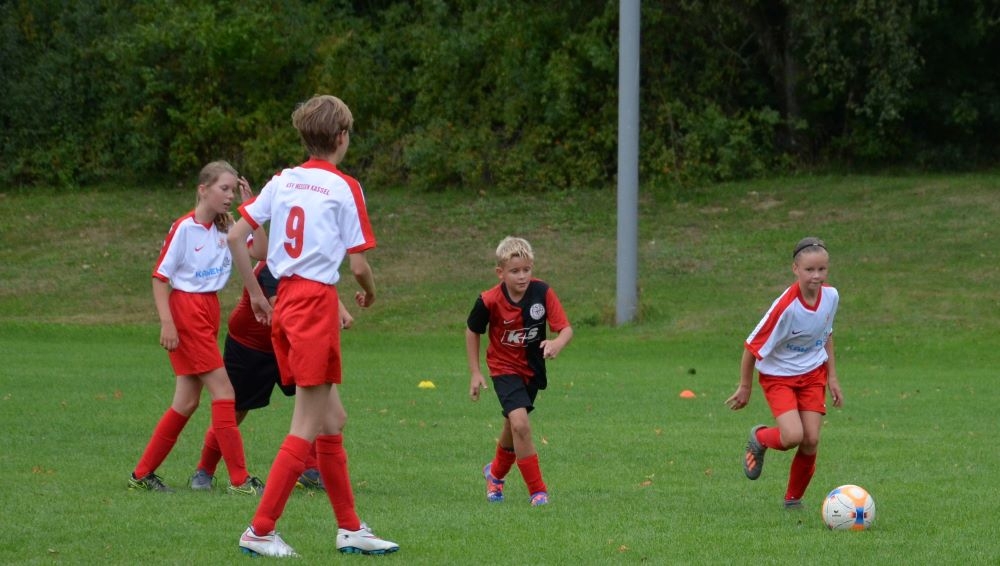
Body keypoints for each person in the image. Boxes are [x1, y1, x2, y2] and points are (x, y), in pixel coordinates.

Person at [229, 94, 399, 558]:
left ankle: (350, 528)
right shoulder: (345, 187)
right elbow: (359, 266)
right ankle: (260, 529)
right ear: (342, 137)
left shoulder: (283, 180)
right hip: (313, 308)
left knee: (332, 419)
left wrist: (258, 294)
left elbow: (236, 236)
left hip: (287, 303)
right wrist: (370, 293)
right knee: (305, 425)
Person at [129, 160, 264, 496]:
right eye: (224, 188)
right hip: (187, 311)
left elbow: (261, 251)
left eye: (233, 190)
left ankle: (142, 474)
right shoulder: (184, 228)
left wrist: (251, 208)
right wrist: (167, 323)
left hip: (208, 309)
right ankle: (240, 480)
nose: (229, 195)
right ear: (203, 190)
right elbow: (160, 277)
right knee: (225, 393)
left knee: (186, 402)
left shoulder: (227, 227)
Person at [188, 233, 356, 493]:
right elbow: (288, 311)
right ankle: (204, 471)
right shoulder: (272, 269)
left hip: (291, 345)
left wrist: (340, 311)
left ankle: (311, 470)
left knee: (327, 411)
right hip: (250, 347)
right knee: (236, 411)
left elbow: (318, 282)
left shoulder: (303, 263)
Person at [725, 236, 843, 509]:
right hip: (779, 377)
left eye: (822, 269)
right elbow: (751, 347)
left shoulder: (831, 297)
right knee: (792, 437)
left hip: (813, 374)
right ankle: (760, 438)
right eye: (809, 270)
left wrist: (833, 377)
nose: (816, 276)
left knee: (811, 440)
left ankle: (793, 500)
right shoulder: (785, 307)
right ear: (795, 269)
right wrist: (745, 387)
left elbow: (826, 334)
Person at [466, 236, 574, 507]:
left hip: (532, 370)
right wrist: (475, 372)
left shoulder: (542, 292)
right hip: (503, 368)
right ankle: (538, 492)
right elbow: (472, 330)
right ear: (500, 272)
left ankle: (495, 474)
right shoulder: (489, 300)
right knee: (520, 425)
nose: (522, 276)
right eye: (515, 271)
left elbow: (566, 329)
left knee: (512, 426)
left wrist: (557, 343)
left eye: (526, 269)